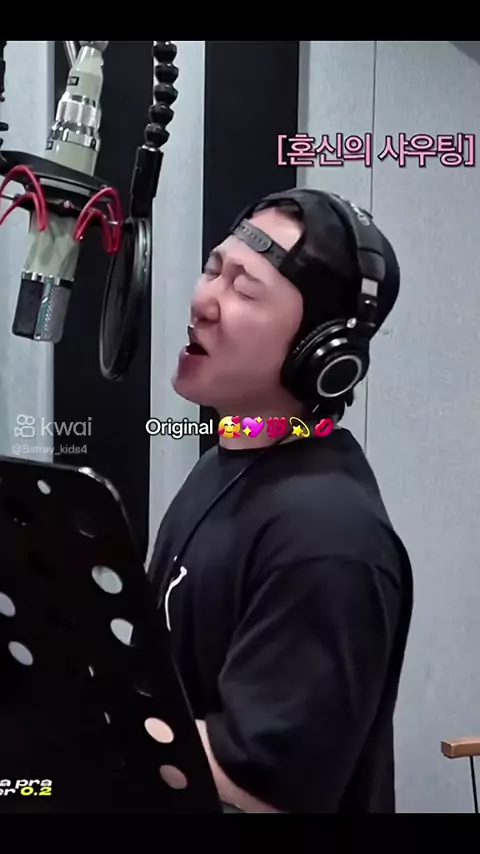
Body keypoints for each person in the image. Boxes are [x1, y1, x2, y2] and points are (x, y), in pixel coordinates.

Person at [148, 188, 413, 814]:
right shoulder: (224, 462)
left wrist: (93, 722)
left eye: (244, 288)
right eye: (213, 269)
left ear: (321, 353)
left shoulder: (328, 537)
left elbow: (264, 786)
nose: (202, 300)